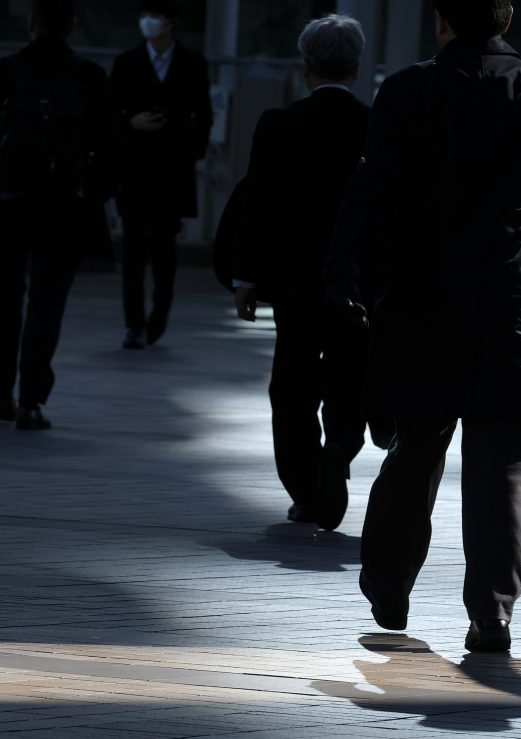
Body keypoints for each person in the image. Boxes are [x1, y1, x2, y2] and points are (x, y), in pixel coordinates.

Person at [326, 0, 521, 652]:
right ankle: (492, 612)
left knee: (415, 448)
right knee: (502, 461)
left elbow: (373, 193)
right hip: (519, 304)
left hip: (426, 302)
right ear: (507, 17)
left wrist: (345, 277)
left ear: (440, 18)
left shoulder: (409, 91)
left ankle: (389, 581)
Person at [232, 14, 372, 532]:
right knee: (349, 373)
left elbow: (256, 206)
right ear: (356, 67)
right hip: (357, 282)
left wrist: (246, 277)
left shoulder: (278, 124)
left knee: (290, 384)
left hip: (293, 280)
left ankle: (304, 488)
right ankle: (339, 446)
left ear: (306, 66)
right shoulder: (376, 124)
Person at [0, 0, 115, 430]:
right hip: (65, 206)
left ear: (31, 25)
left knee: (6, 292)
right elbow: (109, 151)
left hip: (10, 201)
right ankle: (31, 401)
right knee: (48, 301)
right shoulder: (90, 76)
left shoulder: (4, 71)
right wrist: (91, 199)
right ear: (72, 26)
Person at [110, 0, 212, 349]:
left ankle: (158, 316)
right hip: (135, 170)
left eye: (154, 16)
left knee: (165, 249)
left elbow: (204, 115)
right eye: (143, 16)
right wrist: (130, 123)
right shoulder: (127, 63)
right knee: (134, 250)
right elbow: (109, 114)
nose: (148, 22)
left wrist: (189, 151)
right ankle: (133, 323)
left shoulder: (192, 63)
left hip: (173, 170)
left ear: (171, 22)